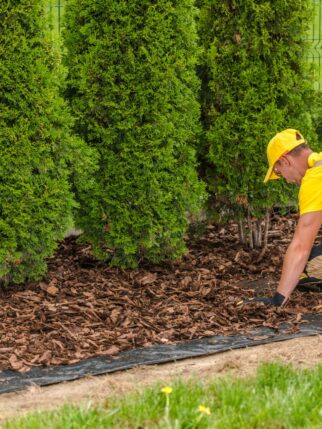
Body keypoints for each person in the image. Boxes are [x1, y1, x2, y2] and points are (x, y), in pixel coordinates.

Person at [252, 128, 322, 306]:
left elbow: (300, 247)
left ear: (285, 160)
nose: (286, 180)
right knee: (311, 264)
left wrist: (277, 300)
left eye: (279, 172)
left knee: (311, 266)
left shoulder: (316, 178)